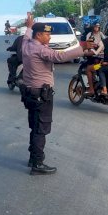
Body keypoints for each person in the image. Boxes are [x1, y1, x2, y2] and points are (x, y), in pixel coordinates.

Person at [21, 22, 95, 175]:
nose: (49, 37)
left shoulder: (26, 44)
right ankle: (38, 163)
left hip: (29, 92)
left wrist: (29, 25)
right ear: (38, 35)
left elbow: (27, 35)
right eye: (47, 34)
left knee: (35, 126)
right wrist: (82, 47)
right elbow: (60, 56)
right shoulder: (40, 49)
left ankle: (32, 158)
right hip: (41, 94)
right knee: (41, 128)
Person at [82, 22, 105, 95]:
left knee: (89, 69)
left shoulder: (101, 34)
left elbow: (104, 43)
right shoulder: (89, 35)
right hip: (92, 55)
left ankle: (91, 89)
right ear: (93, 28)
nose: (96, 28)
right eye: (95, 27)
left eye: (98, 27)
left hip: (98, 58)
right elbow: (87, 44)